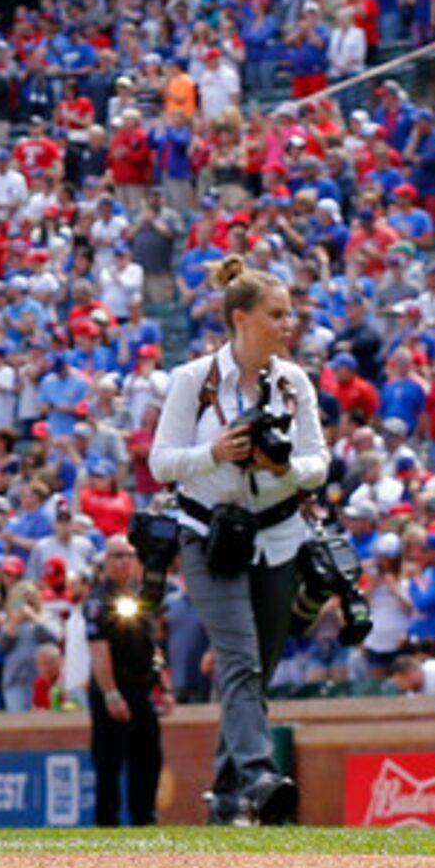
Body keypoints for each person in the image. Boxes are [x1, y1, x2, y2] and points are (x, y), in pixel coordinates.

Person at [148, 256, 326, 825]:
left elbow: (319, 462)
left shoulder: (294, 382)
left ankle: (225, 801)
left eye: (291, 314)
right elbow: (160, 463)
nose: (288, 324)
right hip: (209, 536)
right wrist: (215, 454)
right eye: (277, 314)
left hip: (279, 537)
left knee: (255, 672)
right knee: (241, 660)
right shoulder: (192, 380)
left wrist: (285, 471)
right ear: (242, 318)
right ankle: (258, 775)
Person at [83, 538, 164, 827]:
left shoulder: (140, 598)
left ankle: (145, 820)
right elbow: (99, 649)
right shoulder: (99, 600)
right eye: (117, 556)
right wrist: (111, 693)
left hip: (141, 689)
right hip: (115, 688)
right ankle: (108, 825)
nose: (124, 561)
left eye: (130, 555)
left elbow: (152, 646)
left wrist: (162, 687)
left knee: (149, 759)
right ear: (105, 562)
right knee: (109, 763)